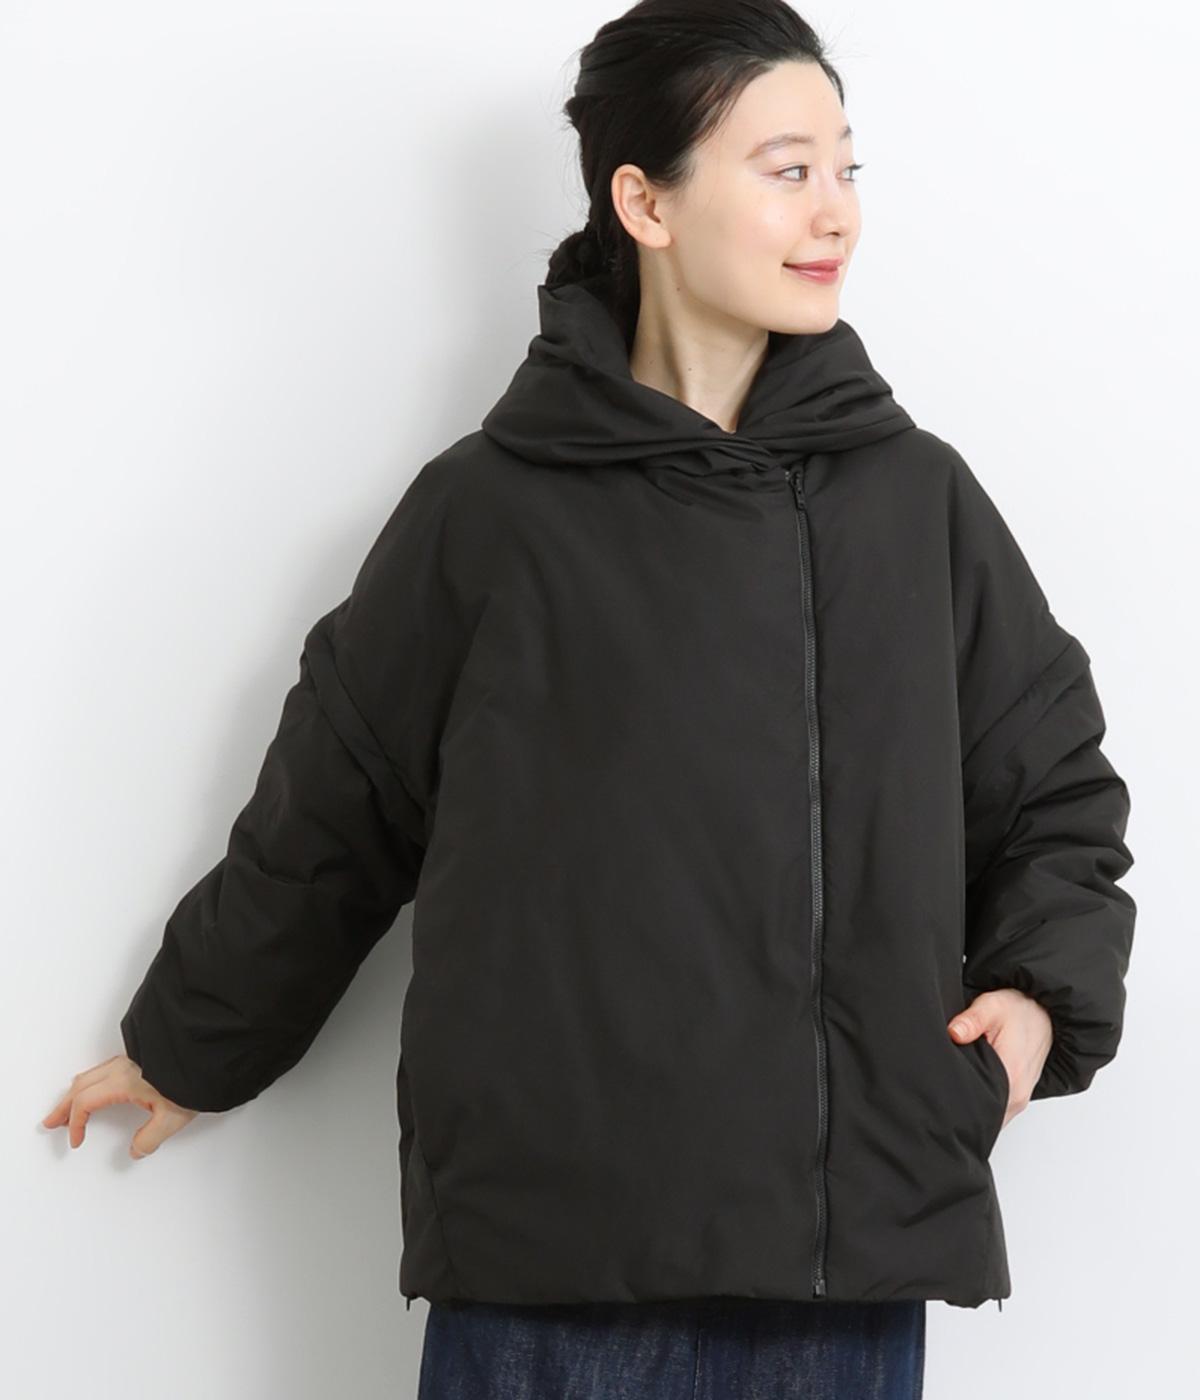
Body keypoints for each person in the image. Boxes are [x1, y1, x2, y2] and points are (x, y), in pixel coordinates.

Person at [41, 2, 1136, 1396]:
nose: (837, 213)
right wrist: (191, 1042)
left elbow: (1056, 792)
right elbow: (338, 807)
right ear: (645, 202)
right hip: (546, 1263)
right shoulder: (488, 511)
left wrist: (1037, 1001)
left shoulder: (915, 503)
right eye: (788, 169)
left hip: (840, 1264)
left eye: (848, 169)